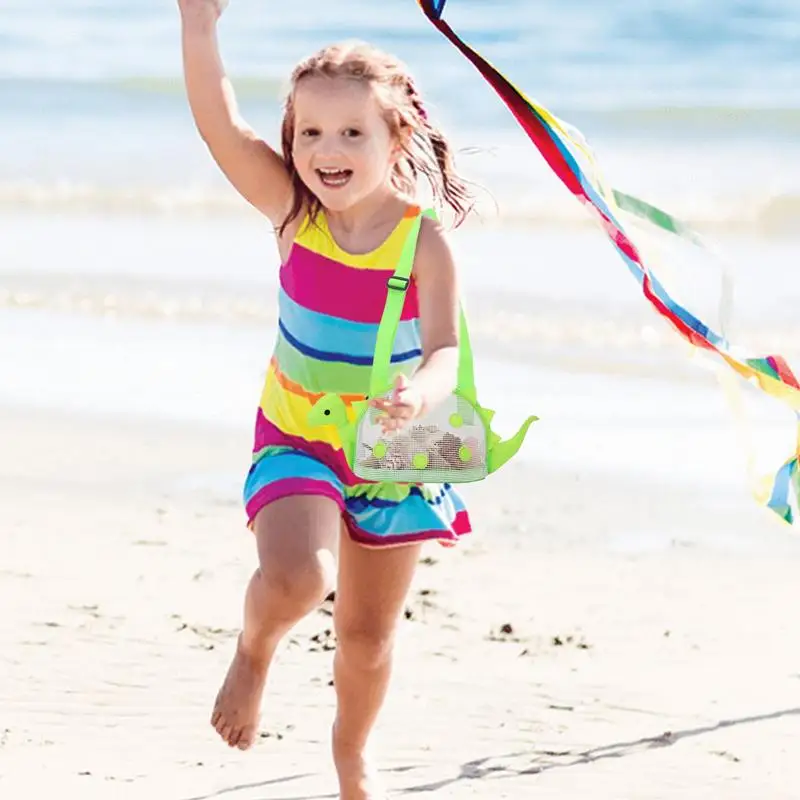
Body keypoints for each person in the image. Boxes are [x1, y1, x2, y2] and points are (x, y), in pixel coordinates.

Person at [178, 1, 475, 796]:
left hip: (399, 442)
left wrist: (421, 393)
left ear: (395, 138)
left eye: (351, 133)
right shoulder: (294, 213)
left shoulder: (424, 240)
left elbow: (445, 347)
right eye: (309, 132)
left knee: (368, 638)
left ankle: (351, 754)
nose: (326, 151)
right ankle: (255, 648)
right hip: (300, 432)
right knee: (299, 579)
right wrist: (199, 27)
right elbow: (221, 129)